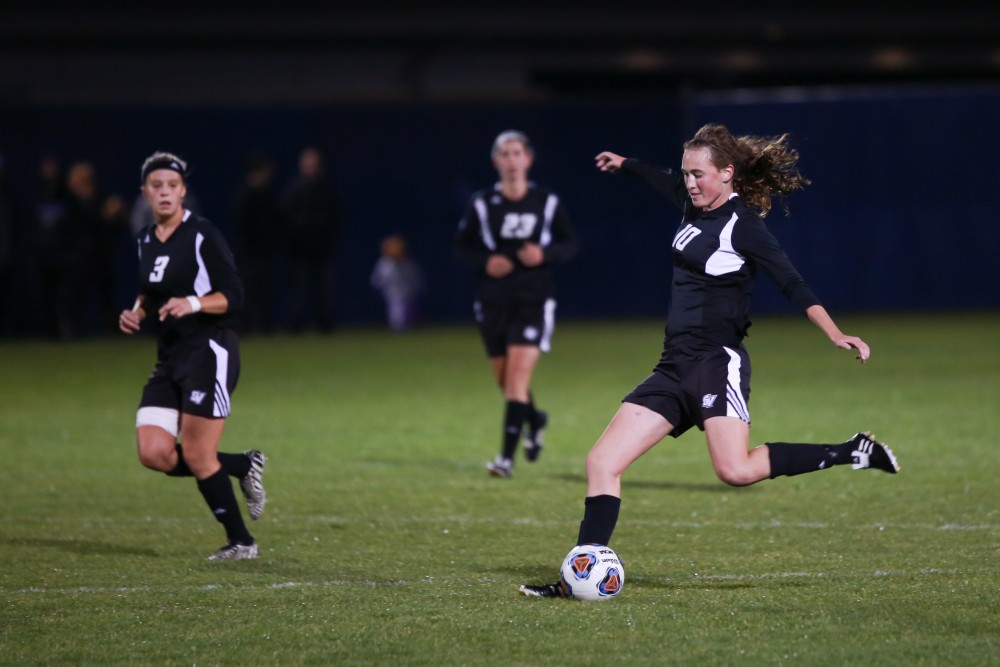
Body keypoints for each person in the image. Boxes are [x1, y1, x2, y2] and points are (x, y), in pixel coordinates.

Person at [519, 124, 899, 597]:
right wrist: (626, 165)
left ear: (726, 173)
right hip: (673, 363)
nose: (691, 183)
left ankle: (850, 451)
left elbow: (792, 282)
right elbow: (664, 181)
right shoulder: (691, 202)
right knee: (602, 462)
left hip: (716, 364)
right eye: (687, 174)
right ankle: (576, 578)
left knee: (735, 472)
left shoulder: (746, 227)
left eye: (699, 174)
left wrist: (836, 333)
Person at [118, 151, 267, 561]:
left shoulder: (202, 234)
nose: (164, 193)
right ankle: (241, 465)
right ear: (145, 193)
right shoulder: (146, 239)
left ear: (183, 191)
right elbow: (151, 288)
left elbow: (234, 296)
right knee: (154, 452)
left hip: (209, 350)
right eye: (156, 186)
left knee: (199, 455)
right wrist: (138, 310)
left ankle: (242, 542)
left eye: (172, 186)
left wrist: (194, 303)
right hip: (170, 356)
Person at [454, 130, 578, 478]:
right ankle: (535, 420)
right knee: (506, 383)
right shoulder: (482, 203)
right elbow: (461, 247)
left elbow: (569, 244)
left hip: (533, 299)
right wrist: (485, 261)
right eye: (504, 154)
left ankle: (506, 460)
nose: (511, 160)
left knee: (517, 382)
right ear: (496, 161)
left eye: (516, 153)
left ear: (528, 159)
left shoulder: (546, 201)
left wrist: (544, 253)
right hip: (493, 299)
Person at [283, 146, 341, 332]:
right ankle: (295, 328)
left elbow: (335, 218)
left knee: (324, 291)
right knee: (299, 293)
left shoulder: (327, 189)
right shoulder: (294, 190)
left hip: (323, 251)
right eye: (308, 164)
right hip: (300, 252)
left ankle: (325, 326)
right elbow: (286, 218)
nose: (311, 168)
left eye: (314, 164)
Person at [370, 234, 425, 332]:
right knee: (398, 318)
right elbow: (376, 280)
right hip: (393, 295)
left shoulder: (409, 264)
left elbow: (418, 280)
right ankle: (399, 334)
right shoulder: (384, 264)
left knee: (412, 319)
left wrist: (416, 290)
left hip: (409, 295)